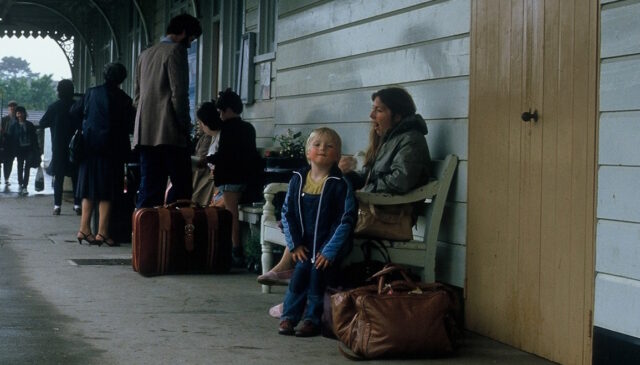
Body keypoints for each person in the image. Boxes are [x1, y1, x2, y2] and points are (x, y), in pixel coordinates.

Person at [258, 86, 432, 286]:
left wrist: (360, 190)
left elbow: (400, 181)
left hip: (387, 216)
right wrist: (343, 175)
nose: (371, 114)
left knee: (322, 219)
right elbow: (372, 176)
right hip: (374, 210)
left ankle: (297, 280)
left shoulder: (411, 140)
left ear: (398, 115)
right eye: (373, 109)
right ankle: (299, 283)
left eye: (379, 110)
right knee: (319, 212)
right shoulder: (393, 138)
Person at [278, 127, 357, 337]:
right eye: (317, 145)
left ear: (337, 155)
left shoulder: (340, 184)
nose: (322, 149)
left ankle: (312, 319)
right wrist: (294, 244)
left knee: (316, 274)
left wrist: (329, 251)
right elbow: (288, 213)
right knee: (300, 274)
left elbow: (345, 220)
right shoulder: (297, 180)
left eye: (329, 146)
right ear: (307, 152)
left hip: (327, 246)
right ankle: (289, 316)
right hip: (304, 245)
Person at [133, 13, 202, 208]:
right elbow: (179, 95)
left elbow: (137, 97)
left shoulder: (145, 55)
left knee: (149, 189)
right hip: (170, 133)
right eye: (191, 38)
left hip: (145, 133)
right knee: (181, 189)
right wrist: (184, 126)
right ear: (183, 33)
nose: (190, 44)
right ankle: (175, 235)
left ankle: (145, 235)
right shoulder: (175, 52)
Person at [71, 62, 135, 246]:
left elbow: (73, 112)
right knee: (108, 191)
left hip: (89, 149)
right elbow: (130, 126)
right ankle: (103, 233)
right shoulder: (124, 99)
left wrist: (87, 126)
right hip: (112, 151)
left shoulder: (91, 93)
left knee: (88, 189)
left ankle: (84, 229)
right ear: (122, 79)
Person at [206, 88, 263, 267]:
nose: (220, 114)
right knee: (229, 212)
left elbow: (224, 155)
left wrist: (205, 160)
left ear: (228, 109)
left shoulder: (227, 130)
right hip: (247, 178)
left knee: (231, 216)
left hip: (231, 179)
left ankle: (236, 250)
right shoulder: (248, 128)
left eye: (221, 110)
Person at [39, 79, 82, 215]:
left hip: (58, 147)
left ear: (59, 91)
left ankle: (57, 206)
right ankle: (76, 205)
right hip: (75, 147)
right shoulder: (77, 105)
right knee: (76, 177)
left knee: (59, 178)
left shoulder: (54, 107)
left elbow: (42, 122)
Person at [191, 101, 222, 206]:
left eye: (201, 122)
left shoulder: (221, 137)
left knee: (197, 196)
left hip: (216, 181)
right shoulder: (213, 137)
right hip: (211, 177)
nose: (200, 125)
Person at [6, 106, 39, 196]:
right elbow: (10, 138)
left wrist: (37, 150)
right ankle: (20, 184)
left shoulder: (30, 125)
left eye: (20, 113)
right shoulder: (14, 126)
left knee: (27, 167)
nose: (19, 115)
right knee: (20, 167)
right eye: (17, 113)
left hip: (28, 149)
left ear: (24, 113)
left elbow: (35, 138)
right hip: (19, 149)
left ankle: (25, 186)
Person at [1, 100, 18, 185]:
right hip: (4, 143)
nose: (12, 108)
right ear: (8, 108)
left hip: (12, 144)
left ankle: (6, 178)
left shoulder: (18, 120)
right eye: (10, 106)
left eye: (13, 106)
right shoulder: (4, 119)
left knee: (9, 162)